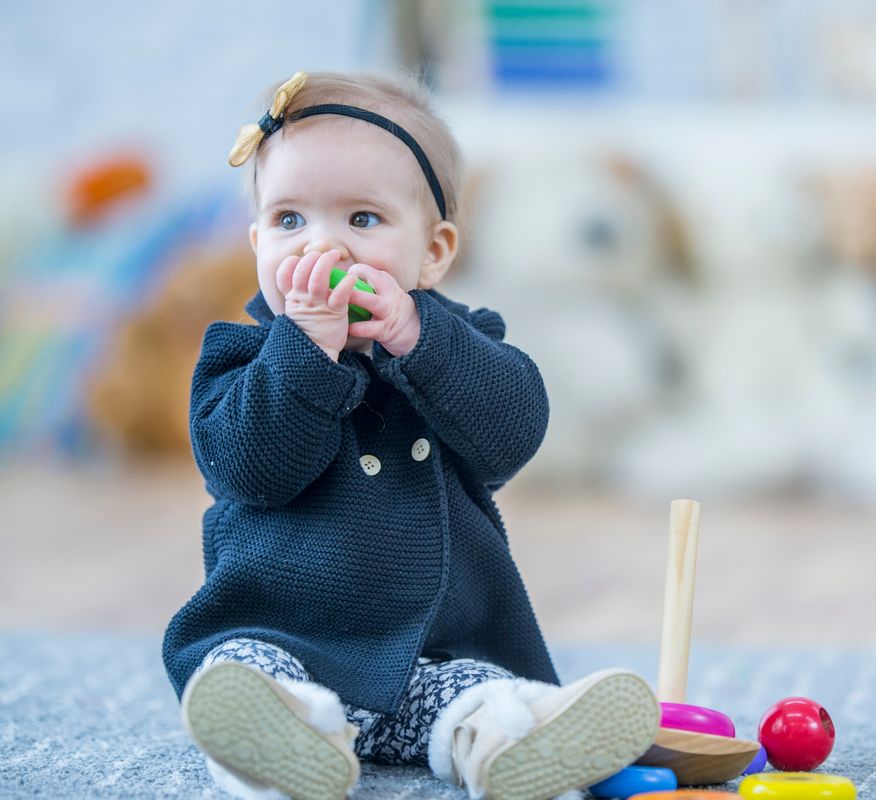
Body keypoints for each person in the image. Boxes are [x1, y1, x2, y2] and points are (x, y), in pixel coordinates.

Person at [162, 70, 660, 800]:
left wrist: (415, 340)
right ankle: (284, 751)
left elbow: (513, 435)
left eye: (362, 220)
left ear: (433, 253)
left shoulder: (455, 346)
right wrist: (304, 350)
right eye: (289, 221)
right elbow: (250, 470)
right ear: (256, 241)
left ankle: (516, 746)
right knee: (239, 681)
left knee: (477, 694)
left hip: (421, 658)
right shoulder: (240, 362)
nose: (322, 248)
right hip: (278, 636)